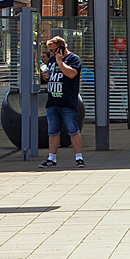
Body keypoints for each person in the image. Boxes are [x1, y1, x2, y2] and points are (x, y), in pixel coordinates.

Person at [40, 36, 83, 168]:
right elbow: (52, 76)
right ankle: (51, 158)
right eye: (51, 50)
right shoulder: (52, 60)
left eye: (54, 50)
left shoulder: (73, 59)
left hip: (67, 101)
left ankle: (79, 157)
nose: (52, 53)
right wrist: (46, 77)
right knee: (52, 131)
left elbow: (71, 74)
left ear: (62, 48)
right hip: (53, 101)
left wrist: (60, 62)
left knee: (73, 130)